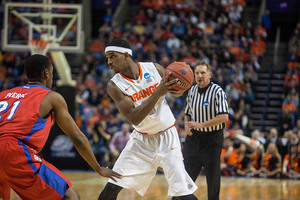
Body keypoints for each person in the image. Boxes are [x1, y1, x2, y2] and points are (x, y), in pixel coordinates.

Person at [0, 54, 122, 200]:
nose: (52, 77)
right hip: (14, 151)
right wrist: (98, 167)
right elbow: (77, 137)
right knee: (70, 196)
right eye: (52, 72)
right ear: (46, 73)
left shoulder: (4, 94)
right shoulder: (51, 97)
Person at [98, 38, 198, 200]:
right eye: (107, 58)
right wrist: (158, 92)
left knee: (182, 194)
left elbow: (175, 92)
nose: (109, 61)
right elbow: (134, 118)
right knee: (109, 191)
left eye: (112, 56)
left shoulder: (153, 68)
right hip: (141, 141)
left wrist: (179, 84)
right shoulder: (114, 86)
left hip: (168, 137)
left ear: (126, 55)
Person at [183, 62, 229, 200]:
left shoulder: (217, 91)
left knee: (212, 178)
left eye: (203, 73)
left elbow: (224, 117)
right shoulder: (191, 91)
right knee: (185, 175)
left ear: (209, 74)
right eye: (197, 73)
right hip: (194, 138)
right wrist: (186, 125)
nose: (199, 76)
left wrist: (201, 124)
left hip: (212, 139)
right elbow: (187, 112)